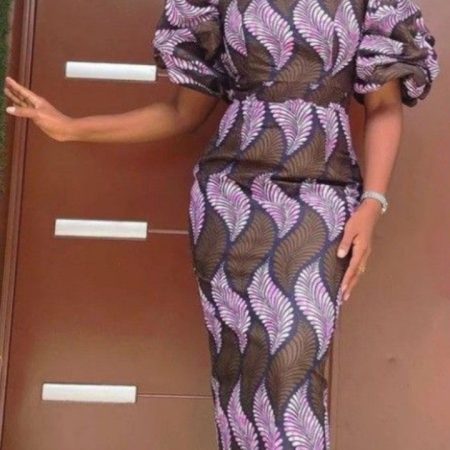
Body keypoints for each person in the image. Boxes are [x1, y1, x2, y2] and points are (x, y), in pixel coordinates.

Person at [4, 0, 439, 448]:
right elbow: (182, 114)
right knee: (239, 371)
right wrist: (72, 128)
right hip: (230, 200)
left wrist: (373, 203)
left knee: (293, 363)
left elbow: (384, 107)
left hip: (320, 196)